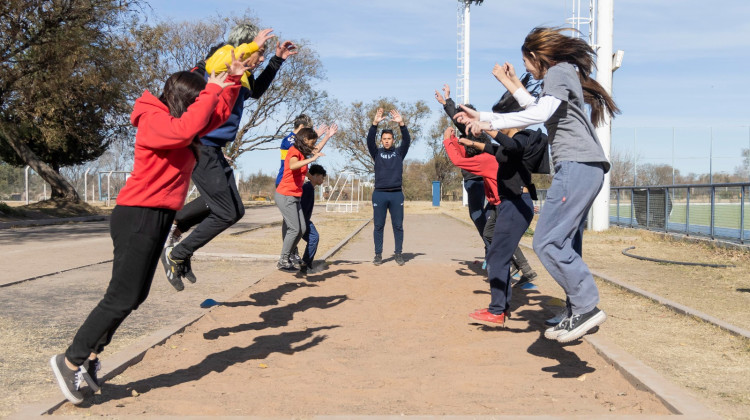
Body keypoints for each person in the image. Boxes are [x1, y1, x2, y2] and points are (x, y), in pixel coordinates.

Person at [50, 55, 249, 405]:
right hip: (138, 214)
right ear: (186, 102)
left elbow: (214, 116)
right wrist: (213, 88)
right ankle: (69, 361)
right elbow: (188, 127)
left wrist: (233, 80)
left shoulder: (182, 121)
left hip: (157, 216)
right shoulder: (153, 120)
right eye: (199, 99)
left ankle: (91, 357)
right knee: (121, 296)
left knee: (134, 297)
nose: (204, 107)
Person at [455, 26, 619, 342]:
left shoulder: (558, 71)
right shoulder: (562, 74)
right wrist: (509, 84)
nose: (526, 68)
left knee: (547, 242)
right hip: (585, 167)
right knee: (565, 242)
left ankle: (585, 307)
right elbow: (537, 108)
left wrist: (487, 120)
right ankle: (576, 309)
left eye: (526, 62)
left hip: (577, 166)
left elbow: (539, 112)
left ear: (535, 56)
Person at [161, 24, 297, 290]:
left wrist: (276, 61)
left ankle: (177, 224)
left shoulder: (243, 76)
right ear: (244, 49)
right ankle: (177, 253)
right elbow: (222, 58)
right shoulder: (220, 59)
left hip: (215, 149)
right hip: (201, 146)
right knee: (225, 212)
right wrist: (251, 46)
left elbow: (255, 90)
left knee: (235, 209)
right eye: (259, 54)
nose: (259, 59)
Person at [275, 116, 337, 267]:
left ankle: (290, 254)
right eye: (311, 141)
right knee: (294, 227)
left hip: (295, 192)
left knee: (301, 228)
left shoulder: (302, 151)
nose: (313, 145)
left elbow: (314, 150)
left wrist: (326, 137)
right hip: (285, 190)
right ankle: (285, 258)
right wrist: (312, 155)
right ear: (304, 136)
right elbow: (294, 164)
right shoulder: (292, 147)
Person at [434, 85, 488, 256]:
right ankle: (494, 252)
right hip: (474, 180)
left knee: (481, 217)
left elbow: (458, 159)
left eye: (464, 117)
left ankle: (498, 254)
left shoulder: (477, 132)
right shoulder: (469, 129)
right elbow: (457, 119)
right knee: (482, 218)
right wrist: (446, 101)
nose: (460, 121)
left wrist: (448, 142)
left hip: (479, 180)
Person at [367, 108, 411, 266]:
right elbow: (369, 141)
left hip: (396, 195)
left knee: (398, 225)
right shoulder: (376, 153)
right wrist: (374, 124)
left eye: (389, 138)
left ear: (393, 140)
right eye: (384, 138)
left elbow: (407, 141)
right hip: (379, 194)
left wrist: (402, 124)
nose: (386, 141)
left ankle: (398, 253)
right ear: (381, 141)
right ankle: (378, 254)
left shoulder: (399, 153)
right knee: (378, 225)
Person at [298, 164, 327, 274]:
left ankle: (306, 264)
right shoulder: (307, 188)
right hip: (302, 221)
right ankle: (305, 265)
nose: (323, 180)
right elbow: (302, 207)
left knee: (314, 238)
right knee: (314, 237)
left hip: (305, 220)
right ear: (315, 176)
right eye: (322, 177)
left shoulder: (310, 188)